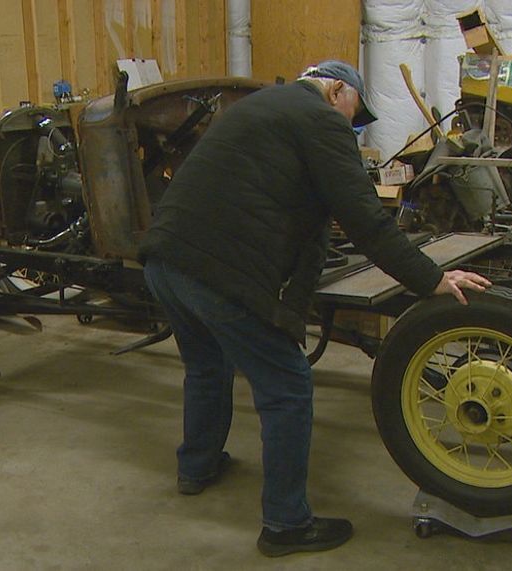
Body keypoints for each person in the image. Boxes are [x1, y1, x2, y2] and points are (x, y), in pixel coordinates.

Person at [139, 60, 491, 556]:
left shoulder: (260, 106)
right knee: (287, 388)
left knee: (206, 364)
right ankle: (285, 524)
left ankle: (197, 466)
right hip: (218, 275)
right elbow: (366, 219)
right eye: (356, 111)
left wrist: (290, 313)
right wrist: (430, 278)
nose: (355, 124)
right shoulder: (321, 119)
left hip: (165, 261)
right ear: (336, 90)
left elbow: (312, 223)